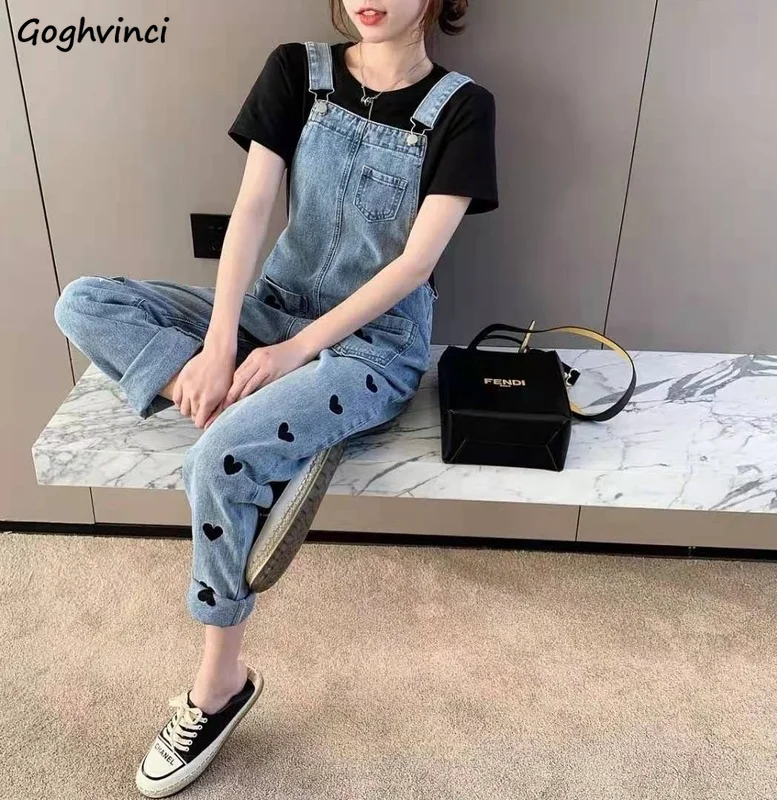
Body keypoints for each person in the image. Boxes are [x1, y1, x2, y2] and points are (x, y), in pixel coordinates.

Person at [54, 0, 497, 795]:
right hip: (269, 313)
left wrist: (294, 354)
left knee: (215, 462)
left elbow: (414, 266)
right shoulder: (297, 70)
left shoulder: (463, 108)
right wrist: (222, 343)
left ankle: (220, 684)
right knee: (83, 302)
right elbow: (253, 208)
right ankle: (266, 414)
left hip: (372, 348)